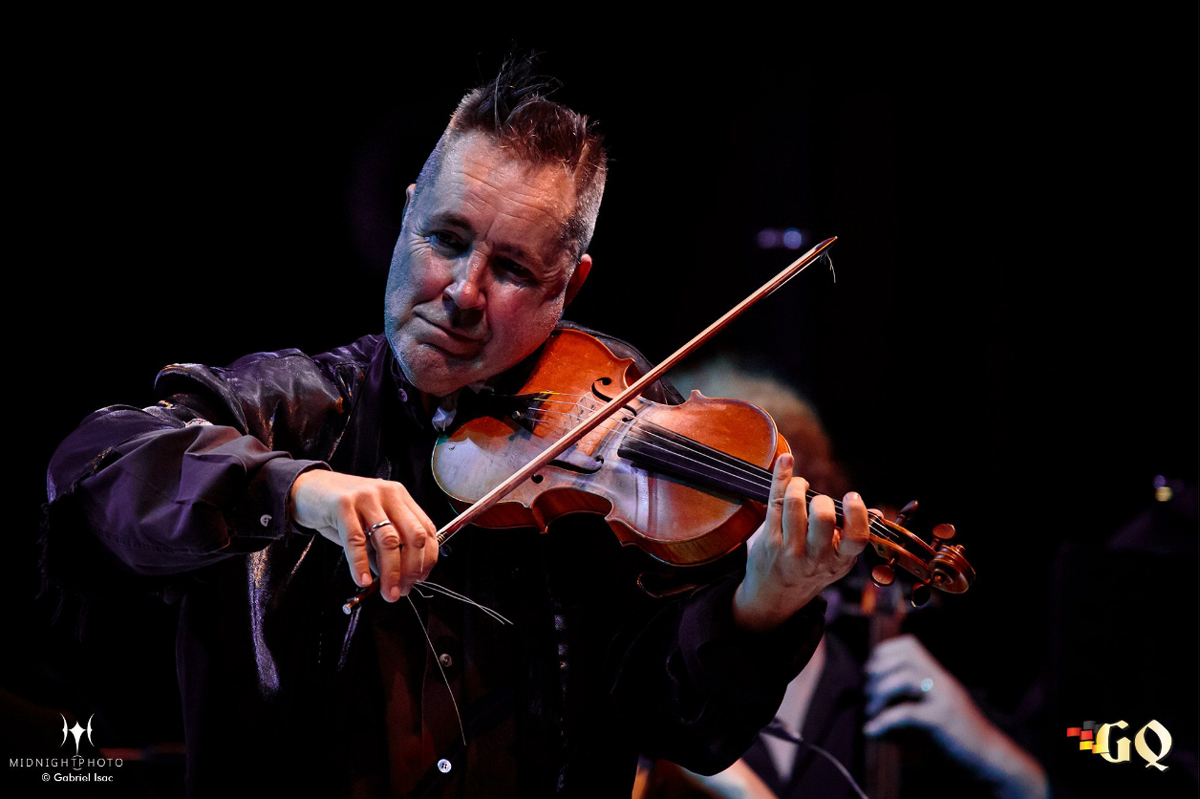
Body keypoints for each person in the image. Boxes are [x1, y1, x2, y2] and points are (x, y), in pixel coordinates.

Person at [42, 58, 871, 798]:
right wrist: (301, 490)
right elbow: (94, 471)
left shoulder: (613, 448)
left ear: (569, 287)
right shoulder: (300, 407)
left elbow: (673, 722)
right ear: (409, 215)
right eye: (446, 238)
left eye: (511, 269)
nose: (464, 293)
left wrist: (761, 604)